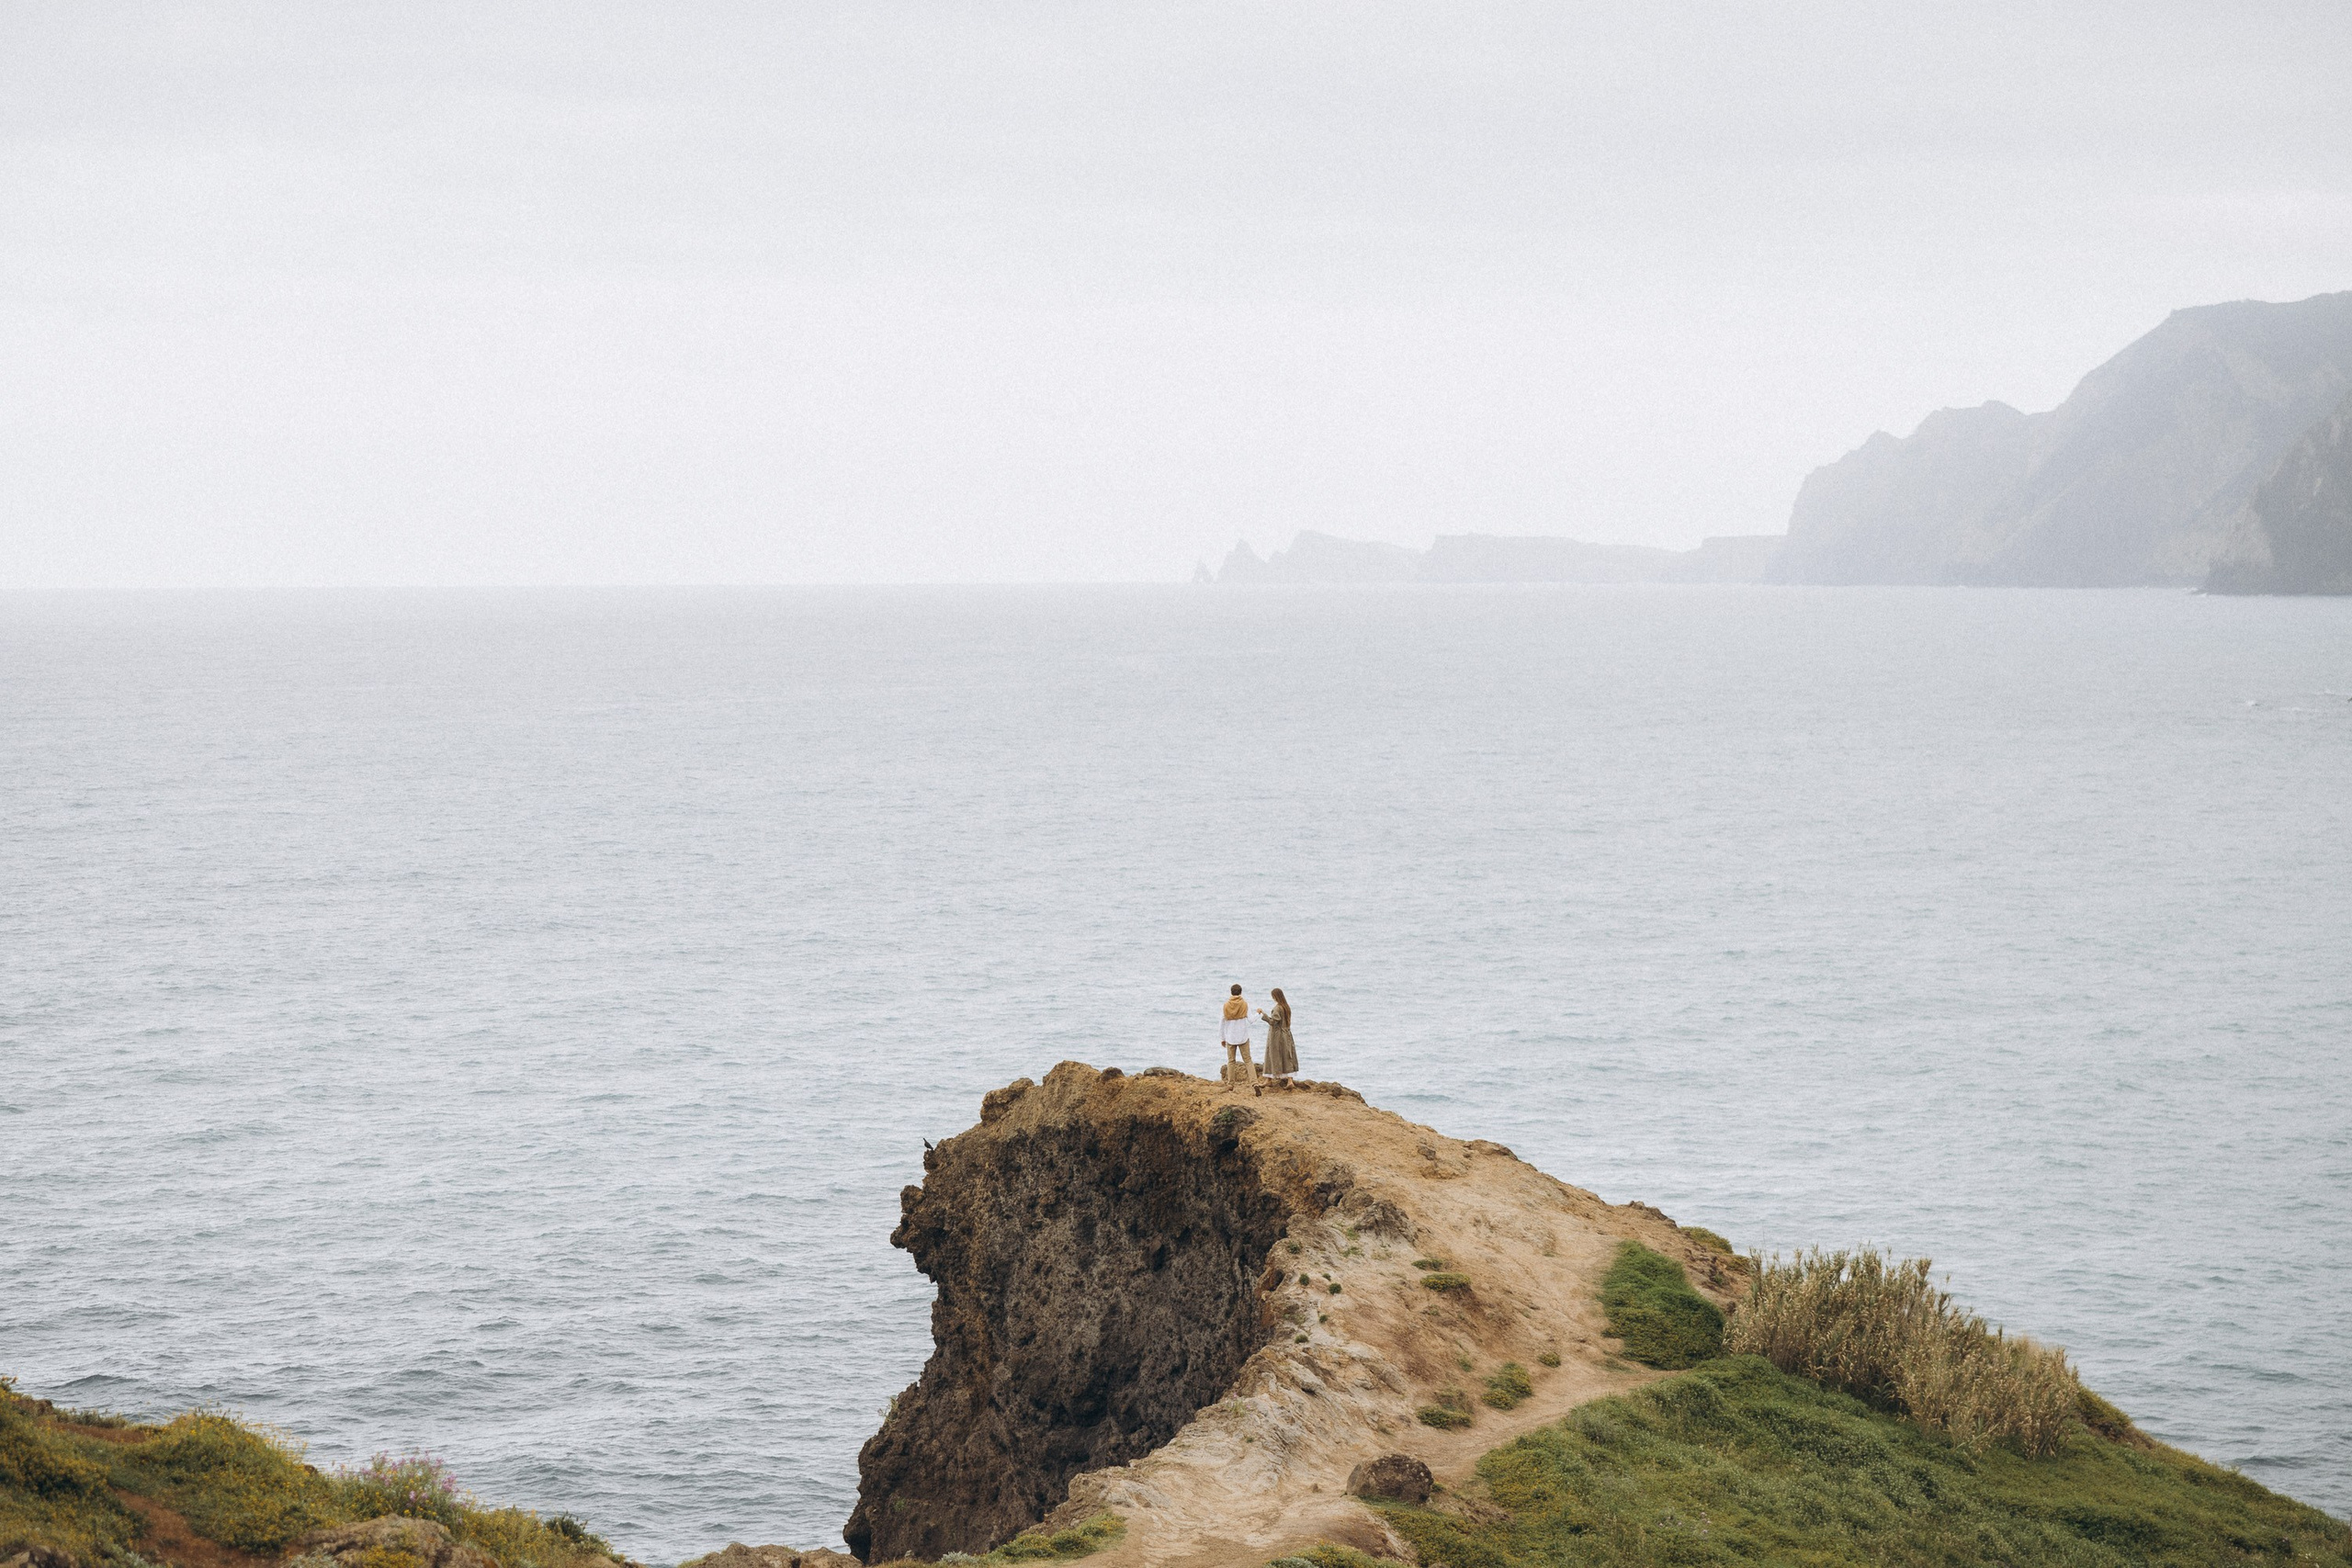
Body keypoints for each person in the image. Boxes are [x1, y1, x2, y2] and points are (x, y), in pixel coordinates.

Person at [1259, 987, 1297, 1084]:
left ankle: (1269, 1079)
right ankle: (1290, 1081)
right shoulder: (1286, 1007)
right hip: (1287, 1034)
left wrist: (1263, 1014)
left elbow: (1273, 1022)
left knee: (1272, 1056)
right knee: (1287, 1056)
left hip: (1277, 1036)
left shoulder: (1278, 1008)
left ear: (1275, 996)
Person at [1220, 984, 1255, 1087]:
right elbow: (1251, 1020)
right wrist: (1258, 1013)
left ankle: (1231, 1084)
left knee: (1231, 1061)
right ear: (1240, 992)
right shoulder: (1244, 1004)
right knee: (1248, 1060)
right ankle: (1254, 1083)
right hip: (1243, 1037)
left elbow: (1221, 1023)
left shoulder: (1226, 1005)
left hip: (1230, 1037)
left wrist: (1222, 1038)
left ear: (1231, 992)